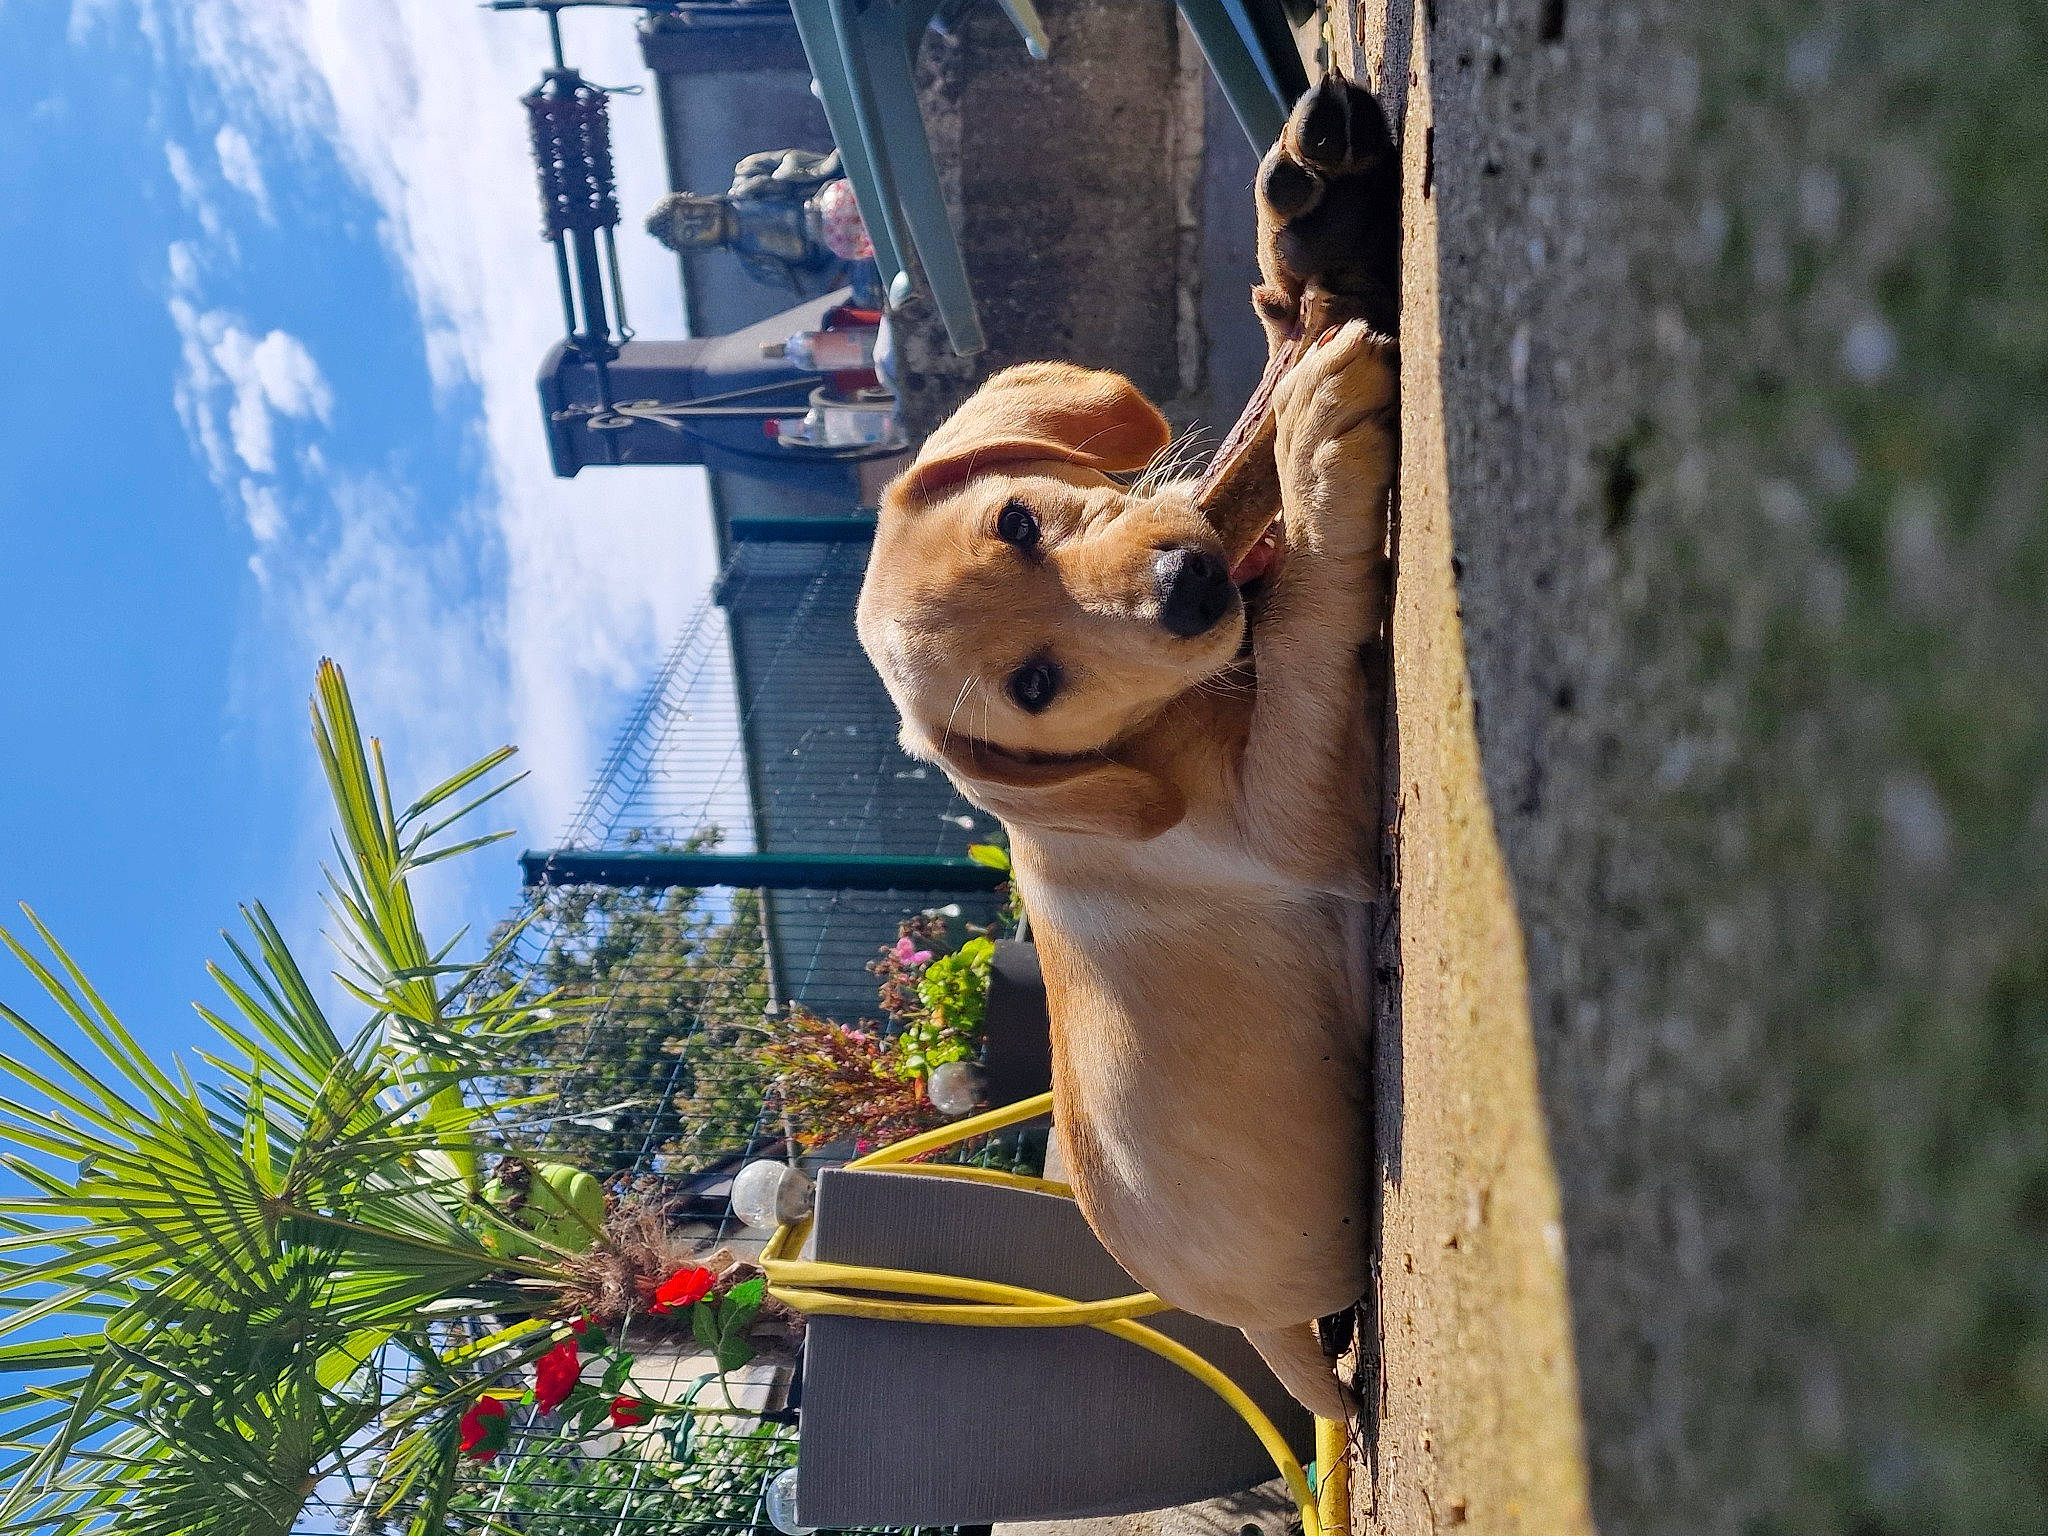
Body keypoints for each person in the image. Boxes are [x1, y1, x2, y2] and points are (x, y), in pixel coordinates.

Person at [646, 147, 881, 306]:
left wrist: (784, 177)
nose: (699, 221)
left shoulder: (748, 172)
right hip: (848, 252)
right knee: (868, 296)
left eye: (689, 212)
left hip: (834, 193)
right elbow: (815, 283)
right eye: (691, 232)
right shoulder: (757, 265)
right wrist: (844, 258)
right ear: (699, 247)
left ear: (693, 198)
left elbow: (799, 159)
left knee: (860, 153)